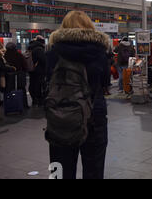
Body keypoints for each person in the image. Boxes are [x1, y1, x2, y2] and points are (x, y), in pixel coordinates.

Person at [46, 11, 110, 179]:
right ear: (90, 26)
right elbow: (105, 82)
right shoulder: (100, 52)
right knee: (94, 168)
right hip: (94, 114)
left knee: (60, 169)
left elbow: (48, 80)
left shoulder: (54, 52)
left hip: (61, 115)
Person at [4, 42, 29, 108]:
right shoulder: (18, 54)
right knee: (22, 89)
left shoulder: (5, 55)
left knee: (9, 90)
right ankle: (24, 104)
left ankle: (10, 105)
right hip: (19, 75)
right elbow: (24, 65)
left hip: (9, 76)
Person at [28, 35, 47, 106]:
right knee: (38, 85)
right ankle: (39, 100)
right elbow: (43, 60)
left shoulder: (30, 47)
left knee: (32, 84)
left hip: (31, 69)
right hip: (39, 70)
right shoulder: (39, 49)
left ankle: (34, 99)